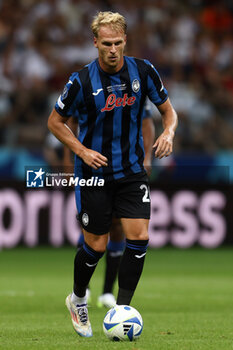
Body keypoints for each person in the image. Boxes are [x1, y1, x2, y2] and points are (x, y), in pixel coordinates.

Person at [48, 11, 178, 338]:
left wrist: (169, 133)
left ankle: (123, 309)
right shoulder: (81, 81)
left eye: (118, 43)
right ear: (95, 43)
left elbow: (167, 112)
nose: (112, 49)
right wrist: (81, 151)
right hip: (95, 172)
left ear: (125, 41)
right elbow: (54, 122)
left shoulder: (144, 71)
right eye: (106, 43)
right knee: (96, 245)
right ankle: (78, 298)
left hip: (132, 171)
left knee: (139, 237)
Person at [65, 103, 155, 309]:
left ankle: (107, 291)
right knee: (94, 234)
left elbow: (147, 122)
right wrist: (67, 158)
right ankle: (82, 289)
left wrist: (147, 157)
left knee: (118, 229)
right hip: (93, 169)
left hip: (126, 171)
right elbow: (66, 122)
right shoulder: (85, 85)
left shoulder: (136, 82)